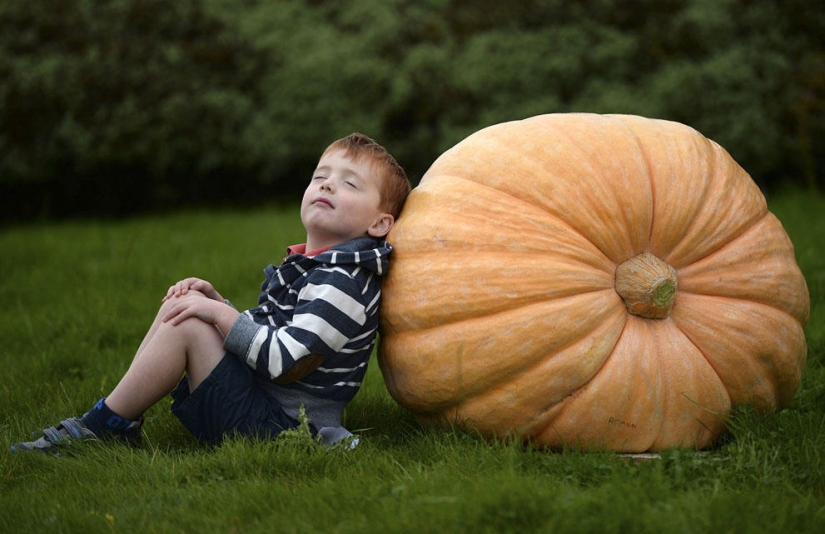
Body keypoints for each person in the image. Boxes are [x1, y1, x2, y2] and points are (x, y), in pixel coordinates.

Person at [11, 133, 411, 453]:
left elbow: (289, 361)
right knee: (185, 307)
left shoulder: (343, 281)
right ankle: (116, 417)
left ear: (379, 223)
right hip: (266, 406)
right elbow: (272, 333)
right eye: (320, 175)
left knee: (190, 323)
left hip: (286, 430)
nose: (327, 184)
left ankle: (103, 426)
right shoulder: (321, 267)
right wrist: (220, 304)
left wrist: (217, 316)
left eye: (349, 183)